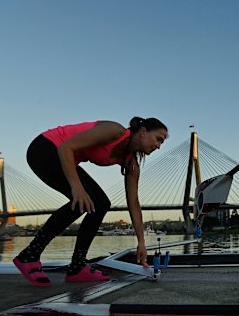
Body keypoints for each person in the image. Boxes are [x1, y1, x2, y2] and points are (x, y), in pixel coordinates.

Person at [13, 117, 168, 286]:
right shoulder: (115, 131)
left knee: (100, 203)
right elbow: (66, 147)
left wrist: (141, 243)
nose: (159, 146)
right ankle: (30, 255)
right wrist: (76, 188)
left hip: (63, 156)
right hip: (46, 148)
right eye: (158, 139)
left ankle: (77, 266)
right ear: (143, 131)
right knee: (85, 199)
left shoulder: (131, 163)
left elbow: (134, 203)